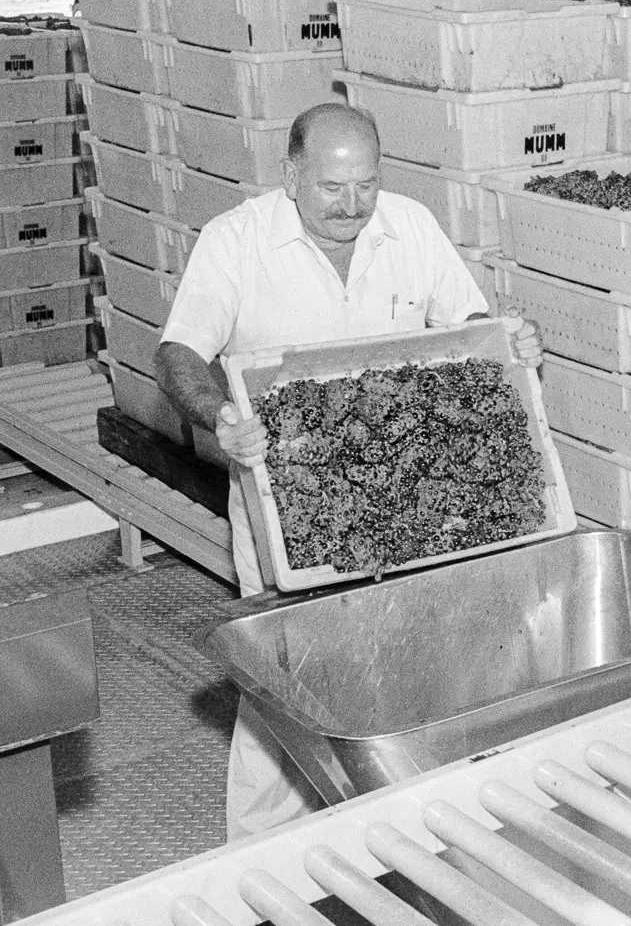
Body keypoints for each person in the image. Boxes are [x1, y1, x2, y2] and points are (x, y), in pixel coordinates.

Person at [155, 101, 541, 841]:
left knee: (412, 671)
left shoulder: (410, 226)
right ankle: (259, 866)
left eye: (366, 185)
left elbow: (469, 327)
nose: (353, 205)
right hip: (286, 500)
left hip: (408, 504)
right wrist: (222, 416)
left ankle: (402, 843)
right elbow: (178, 354)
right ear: (291, 175)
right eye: (333, 188)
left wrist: (511, 341)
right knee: (286, 687)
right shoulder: (236, 241)